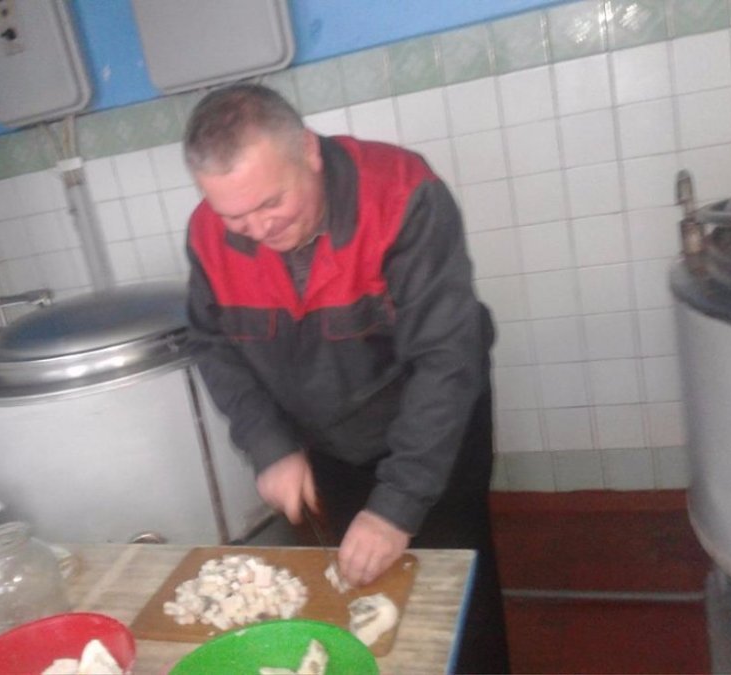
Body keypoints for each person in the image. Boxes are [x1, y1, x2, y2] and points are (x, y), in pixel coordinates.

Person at [182, 83, 509, 673]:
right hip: (330, 439)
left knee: (450, 594)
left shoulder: (403, 195)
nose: (255, 228)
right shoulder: (208, 234)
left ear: (308, 150)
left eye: (270, 203)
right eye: (233, 215)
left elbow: (445, 359)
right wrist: (270, 445)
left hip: (432, 428)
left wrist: (397, 507)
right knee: (363, 590)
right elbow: (213, 343)